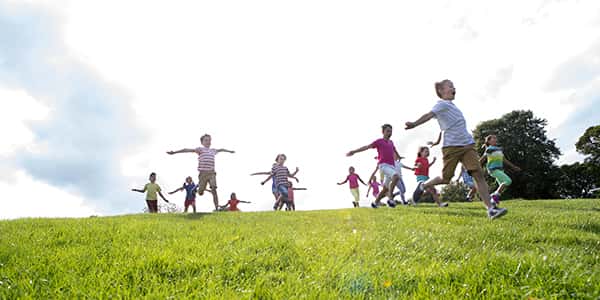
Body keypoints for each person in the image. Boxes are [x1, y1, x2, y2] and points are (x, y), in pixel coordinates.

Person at [405, 79, 507, 219]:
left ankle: (490, 209)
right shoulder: (441, 104)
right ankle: (424, 185)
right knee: (446, 178)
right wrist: (414, 124)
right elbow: (429, 115)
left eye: (453, 86)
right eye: (450, 86)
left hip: (467, 145)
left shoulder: (453, 107)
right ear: (441, 91)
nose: (454, 88)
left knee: (478, 174)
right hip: (451, 148)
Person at [167, 134, 235, 211]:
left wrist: (230, 151)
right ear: (202, 142)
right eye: (206, 140)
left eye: (209, 140)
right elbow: (186, 149)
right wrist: (175, 152)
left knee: (214, 189)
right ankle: (197, 188)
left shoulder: (213, 150)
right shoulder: (200, 149)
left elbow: (222, 149)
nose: (208, 142)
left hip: (212, 173)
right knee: (200, 193)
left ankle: (216, 208)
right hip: (203, 174)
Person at [347, 124, 402, 208]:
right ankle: (391, 199)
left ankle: (375, 203)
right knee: (396, 176)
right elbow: (367, 147)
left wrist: (399, 156)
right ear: (383, 132)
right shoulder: (379, 141)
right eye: (387, 131)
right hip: (383, 165)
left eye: (391, 131)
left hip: (391, 166)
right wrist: (354, 151)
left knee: (385, 188)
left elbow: (394, 149)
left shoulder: (391, 142)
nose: (389, 133)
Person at [480, 134, 521, 205]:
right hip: (493, 169)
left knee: (502, 186)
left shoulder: (499, 149)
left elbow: (504, 160)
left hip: (500, 169)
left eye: (496, 138)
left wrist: (513, 167)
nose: (495, 139)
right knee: (508, 181)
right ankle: (495, 195)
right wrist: (473, 167)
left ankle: (493, 200)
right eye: (493, 138)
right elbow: (482, 159)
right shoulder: (489, 149)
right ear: (489, 141)